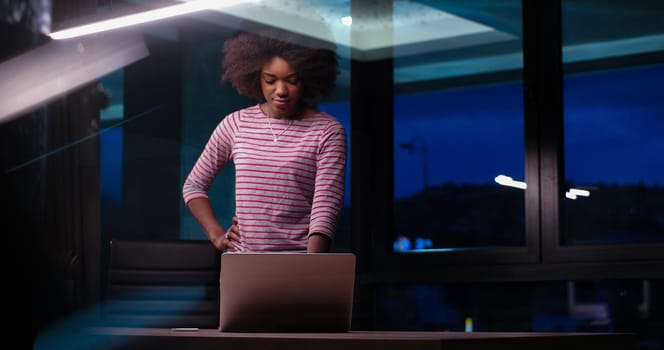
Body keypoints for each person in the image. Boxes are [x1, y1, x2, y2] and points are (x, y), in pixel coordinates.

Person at [182, 30, 346, 254]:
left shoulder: (327, 131)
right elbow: (194, 186)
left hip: (300, 264)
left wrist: (312, 269)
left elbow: (325, 207)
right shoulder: (236, 124)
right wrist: (217, 236)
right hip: (243, 264)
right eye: (270, 80)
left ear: (307, 78)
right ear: (255, 77)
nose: (280, 91)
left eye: (292, 80)